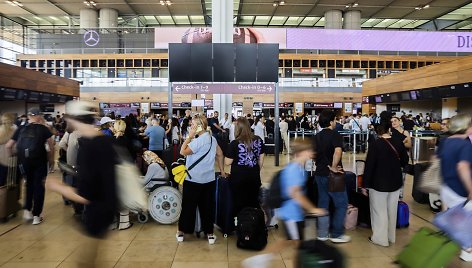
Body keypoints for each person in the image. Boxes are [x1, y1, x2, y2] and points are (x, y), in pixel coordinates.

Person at [47, 101, 118, 266]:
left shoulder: (87, 147)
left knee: (86, 261)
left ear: (72, 119)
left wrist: (58, 187)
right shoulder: (105, 140)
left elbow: (85, 195)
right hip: (109, 207)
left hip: (96, 212)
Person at [241, 139, 326, 268]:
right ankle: (261, 261)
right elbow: (295, 194)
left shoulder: (297, 168)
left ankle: (259, 260)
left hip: (293, 214)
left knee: (287, 241)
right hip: (291, 216)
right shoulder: (294, 170)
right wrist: (313, 209)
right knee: (298, 246)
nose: (311, 153)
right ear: (300, 153)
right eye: (308, 151)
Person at [176, 114, 226, 245]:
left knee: (188, 206)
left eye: (192, 125)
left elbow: (182, 151)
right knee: (207, 207)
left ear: (199, 127)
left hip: (193, 179)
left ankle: (182, 232)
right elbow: (220, 154)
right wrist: (221, 171)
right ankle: (209, 233)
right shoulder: (212, 139)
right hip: (209, 180)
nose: (190, 127)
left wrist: (189, 137)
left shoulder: (197, 141)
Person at [363, 121, 409, 247]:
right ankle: (391, 237)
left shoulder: (375, 144)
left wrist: (365, 184)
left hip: (378, 183)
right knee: (391, 210)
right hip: (395, 181)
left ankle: (380, 239)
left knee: (379, 211)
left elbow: (369, 166)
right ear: (389, 129)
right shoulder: (398, 142)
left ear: (377, 131)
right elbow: (405, 161)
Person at [5, 108, 54, 225]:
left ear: (28, 116)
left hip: (24, 162)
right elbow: (51, 146)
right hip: (40, 162)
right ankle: (36, 215)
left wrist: (14, 157)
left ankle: (27, 211)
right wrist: (51, 160)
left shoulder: (20, 128)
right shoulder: (44, 129)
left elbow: (8, 146)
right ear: (38, 116)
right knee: (39, 186)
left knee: (29, 184)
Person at [437, 114, 472, 261]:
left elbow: (437, 160)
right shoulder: (464, 144)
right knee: (466, 221)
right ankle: (467, 251)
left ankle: (450, 245)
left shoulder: (445, 141)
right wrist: (470, 189)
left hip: (447, 187)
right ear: (466, 126)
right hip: (459, 189)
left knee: (456, 218)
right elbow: (462, 167)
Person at [313, 109, 350, 243]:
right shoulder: (335, 134)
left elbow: (313, 155)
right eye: (335, 120)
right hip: (333, 176)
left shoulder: (316, 136)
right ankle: (336, 234)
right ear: (330, 121)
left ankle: (322, 234)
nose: (336, 122)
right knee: (341, 204)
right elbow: (338, 151)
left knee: (323, 203)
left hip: (319, 174)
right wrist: (334, 167)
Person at [225, 117, 265, 218]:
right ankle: (254, 224)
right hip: (254, 177)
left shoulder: (234, 143)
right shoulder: (258, 140)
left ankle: (241, 225)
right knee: (253, 202)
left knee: (239, 203)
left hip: (238, 179)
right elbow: (261, 159)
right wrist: (255, 170)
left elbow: (227, 162)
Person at [113, 119, 133, 231]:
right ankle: (124, 223)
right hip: (125, 170)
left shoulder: (110, 140)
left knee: (113, 195)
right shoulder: (126, 140)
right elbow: (131, 156)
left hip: (112, 170)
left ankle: (112, 223)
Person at [0, 113, 17, 187]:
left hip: (1, 160)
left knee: (1, 182)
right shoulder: (15, 130)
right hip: (12, 160)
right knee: (11, 184)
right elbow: (16, 148)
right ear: (12, 120)